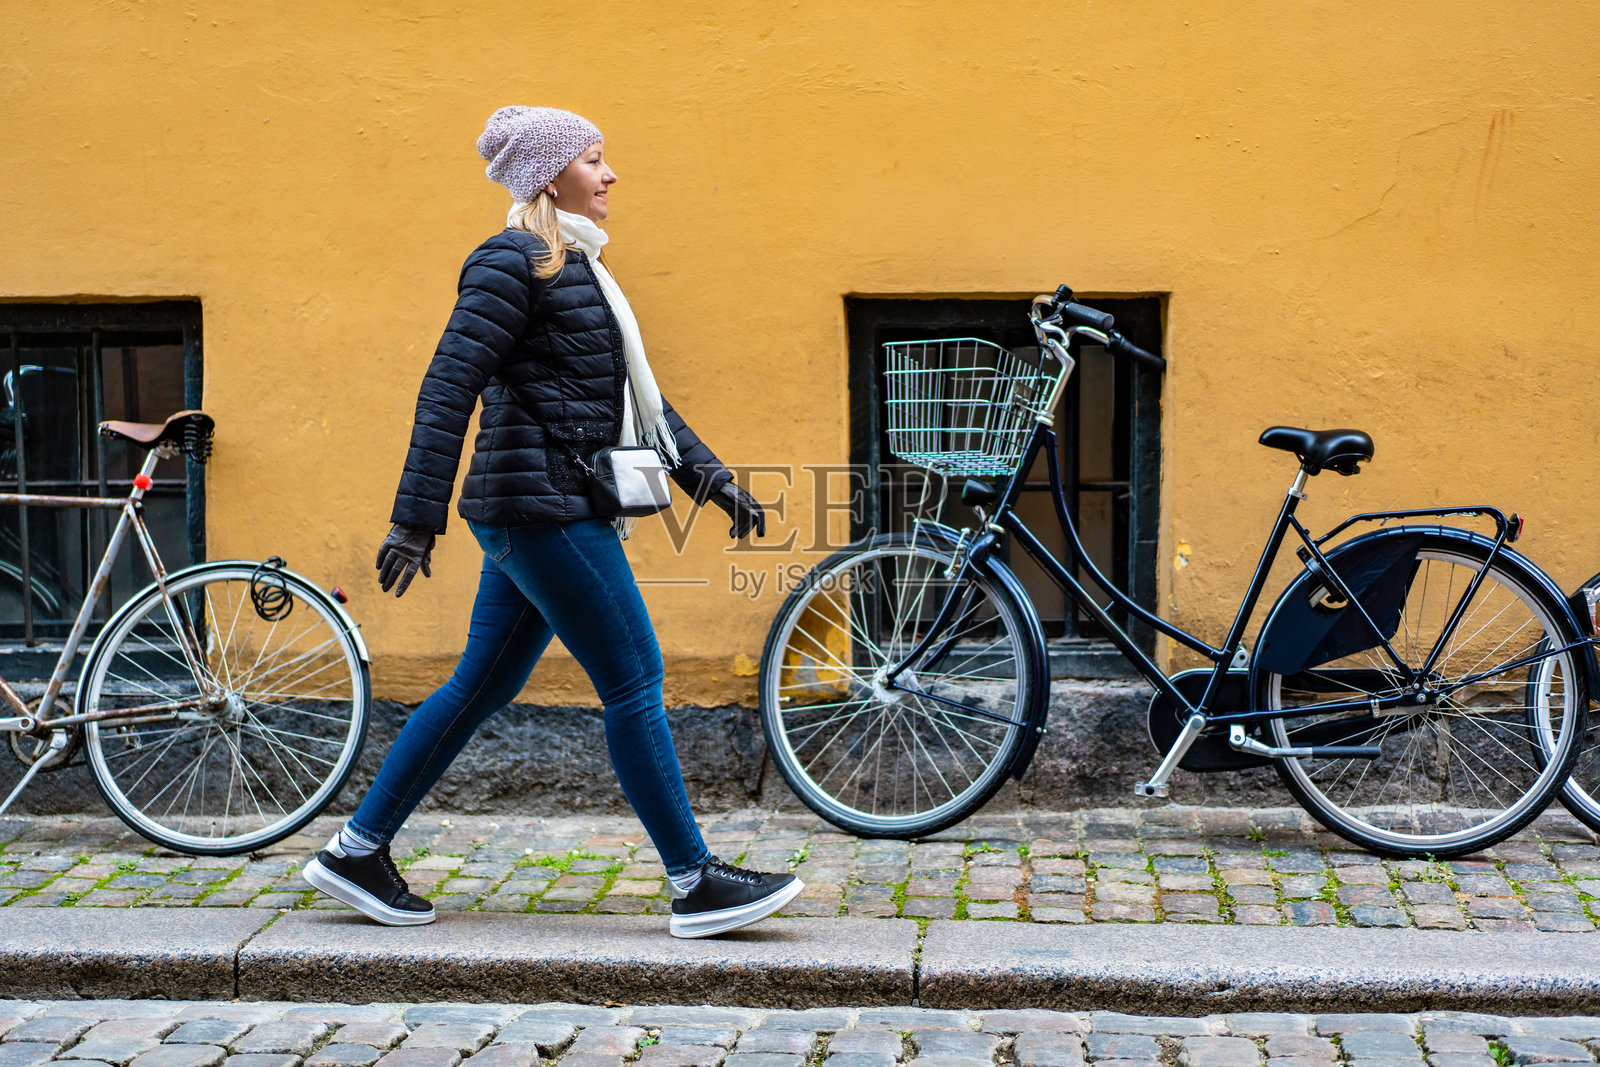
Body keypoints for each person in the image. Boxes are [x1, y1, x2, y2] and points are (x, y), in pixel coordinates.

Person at [302, 105, 801, 938]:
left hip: (536, 508)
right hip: (546, 512)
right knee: (635, 677)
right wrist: (415, 519)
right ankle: (693, 881)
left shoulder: (578, 269)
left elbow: (637, 401)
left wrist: (711, 482)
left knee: (480, 684)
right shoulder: (515, 261)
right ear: (550, 175)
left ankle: (357, 850)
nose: (611, 175)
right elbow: (447, 384)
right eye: (595, 159)